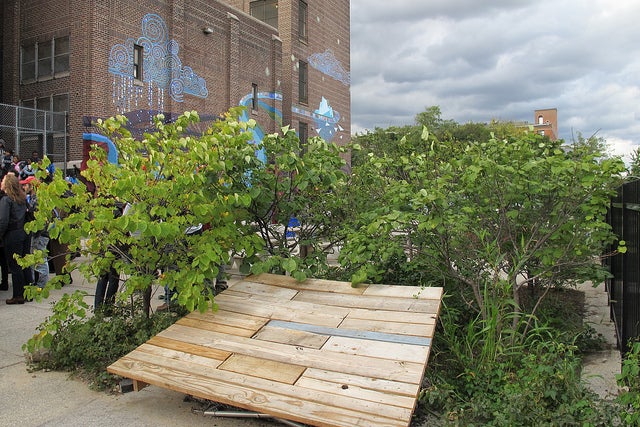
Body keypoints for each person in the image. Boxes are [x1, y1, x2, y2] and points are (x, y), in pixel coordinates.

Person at [0, 173, 33, 304]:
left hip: (12, 234)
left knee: (15, 266)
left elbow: (3, 220)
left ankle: (18, 295)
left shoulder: (6, 200)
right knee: (25, 263)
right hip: (24, 233)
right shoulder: (22, 198)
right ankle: (28, 293)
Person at [21, 176, 49, 289]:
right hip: (39, 234)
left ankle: (41, 285)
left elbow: (38, 219)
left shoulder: (37, 199)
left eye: (25, 185)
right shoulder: (33, 198)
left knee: (40, 259)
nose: (24, 187)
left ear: (32, 186)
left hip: (40, 234)